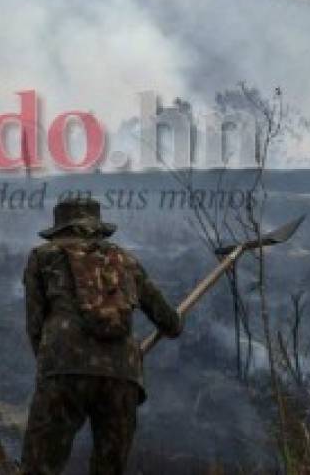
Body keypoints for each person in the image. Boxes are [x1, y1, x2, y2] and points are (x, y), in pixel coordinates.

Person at [21, 197, 183, 475]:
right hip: (122, 376)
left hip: (64, 368)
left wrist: (49, 365)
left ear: (61, 229)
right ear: (98, 228)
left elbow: (35, 323)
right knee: (110, 468)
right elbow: (169, 322)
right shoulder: (126, 261)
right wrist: (175, 323)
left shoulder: (43, 257)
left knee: (40, 465)